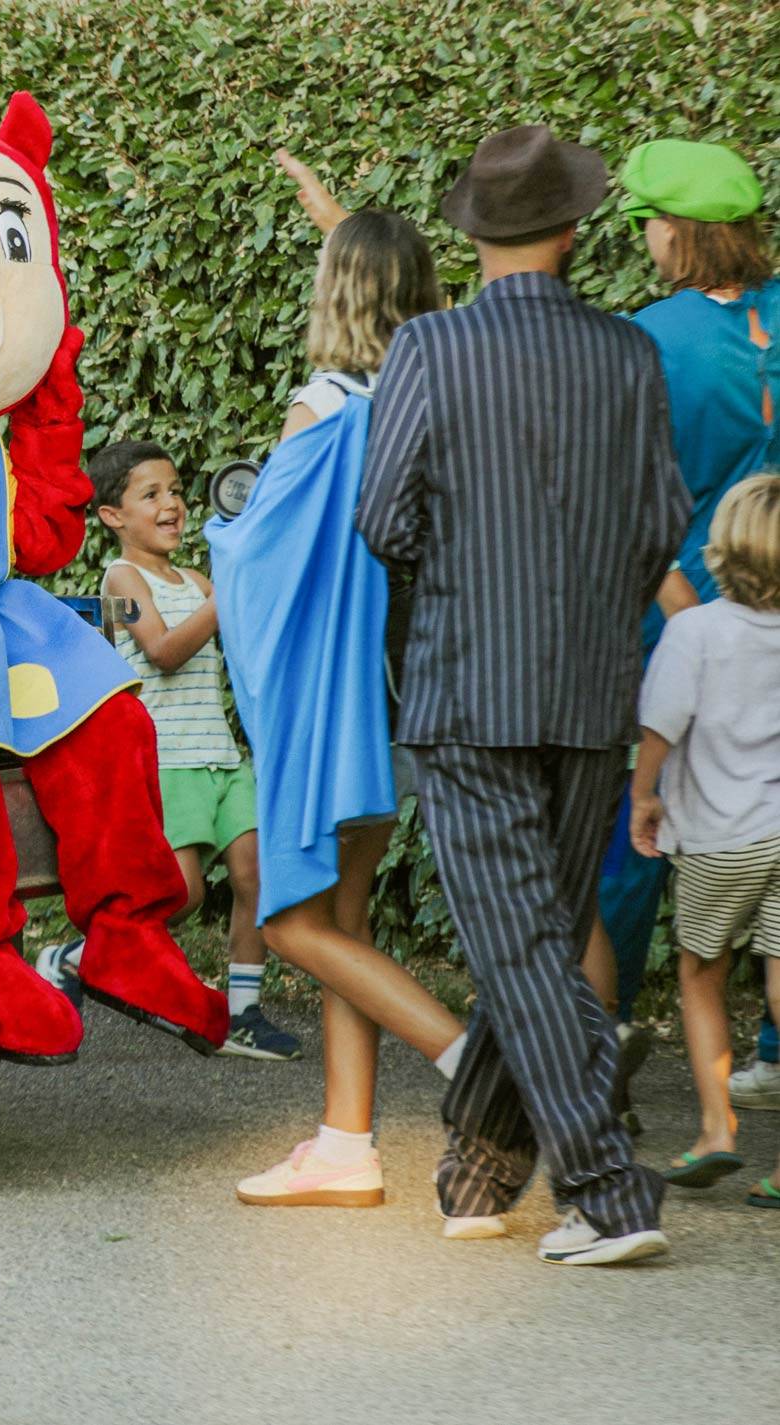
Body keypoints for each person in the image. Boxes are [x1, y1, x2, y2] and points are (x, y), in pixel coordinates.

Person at [357, 125, 690, 1265]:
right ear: (574, 228)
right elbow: (661, 520)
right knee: (535, 937)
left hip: (468, 686)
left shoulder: (429, 347)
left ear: (474, 232)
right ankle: (482, 1168)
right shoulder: (628, 351)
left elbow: (381, 519)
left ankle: (607, 1191)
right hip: (594, 686)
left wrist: (465, 580)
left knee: (520, 947)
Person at [210, 206, 464, 1213]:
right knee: (342, 920)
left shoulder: (322, 406)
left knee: (288, 924)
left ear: (333, 293)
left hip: (331, 700)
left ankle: (475, 1059)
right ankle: (344, 1142)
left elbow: (262, 560)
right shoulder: (439, 396)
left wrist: (225, 534)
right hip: (409, 689)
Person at [596, 139, 780, 1089]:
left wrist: (675, 605)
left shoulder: (649, 338)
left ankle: (606, 1030)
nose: (646, 242)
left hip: (678, 616)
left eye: (646, 225)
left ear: (674, 230)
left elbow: (624, 494)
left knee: (639, 826)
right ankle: (774, 1050)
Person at [89, 440, 300, 1061]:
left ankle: (243, 1014)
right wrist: (226, 597)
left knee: (255, 876)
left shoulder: (200, 581)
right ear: (112, 516)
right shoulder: (120, 581)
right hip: (168, 761)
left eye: (176, 490)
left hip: (222, 759)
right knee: (181, 896)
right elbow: (162, 651)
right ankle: (83, 955)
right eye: (151, 494)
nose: (173, 504)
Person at [628, 475, 780, 1205]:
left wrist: (643, 795)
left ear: (722, 547)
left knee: (700, 972)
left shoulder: (695, 632)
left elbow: (661, 724)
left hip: (722, 837)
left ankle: (718, 1130)